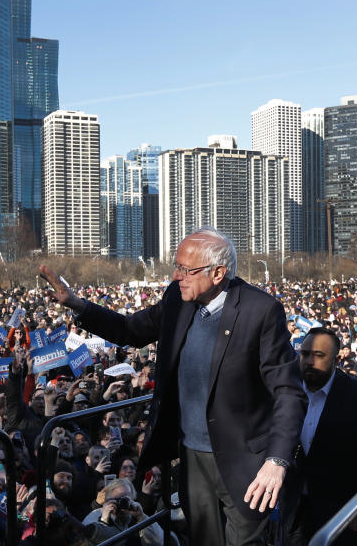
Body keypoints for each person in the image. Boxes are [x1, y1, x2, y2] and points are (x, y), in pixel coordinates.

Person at [40, 226, 307, 545]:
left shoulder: (260, 311)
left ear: (218, 272)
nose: (176, 275)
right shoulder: (176, 300)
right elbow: (128, 329)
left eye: (186, 269)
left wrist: (276, 462)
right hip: (192, 457)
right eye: (176, 266)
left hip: (246, 459)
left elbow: (289, 393)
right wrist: (78, 305)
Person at [281, 327, 357, 545]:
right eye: (305, 354)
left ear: (335, 359)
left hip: (346, 518)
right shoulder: (288, 390)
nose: (309, 361)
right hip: (294, 515)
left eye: (319, 355)